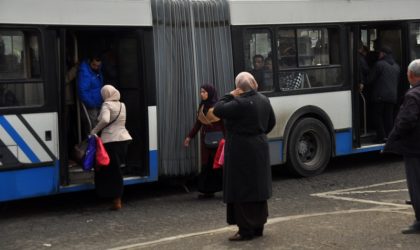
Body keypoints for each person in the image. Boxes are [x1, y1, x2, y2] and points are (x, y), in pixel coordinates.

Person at [213, 72, 276, 241]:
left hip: (241, 149)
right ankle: (258, 226)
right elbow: (271, 123)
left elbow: (218, 109)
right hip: (260, 147)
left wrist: (230, 94)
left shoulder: (239, 103)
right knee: (258, 187)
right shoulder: (264, 99)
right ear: (255, 83)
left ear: (239, 88)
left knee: (242, 189)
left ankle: (245, 230)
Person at [384, 59, 420, 234]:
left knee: (416, 184)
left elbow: (406, 120)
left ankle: (419, 221)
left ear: (411, 75)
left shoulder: (413, 95)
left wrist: (395, 135)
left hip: (414, 147)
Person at [90, 85, 132, 210]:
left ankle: (115, 199)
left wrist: (94, 131)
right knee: (116, 169)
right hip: (124, 140)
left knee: (109, 170)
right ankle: (114, 197)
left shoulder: (107, 105)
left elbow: (105, 119)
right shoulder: (122, 105)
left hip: (110, 141)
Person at [184, 84, 224, 198]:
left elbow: (224, 124)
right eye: (201, 92)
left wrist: (227, 139)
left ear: (210, 93)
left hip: (219, 140)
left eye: (204, 92)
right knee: (207, 165)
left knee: (220, 165)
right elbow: (198, 124)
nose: (202, 94)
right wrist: (189, 137)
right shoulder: (202, 107)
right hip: (206, 141)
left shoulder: (218, 107)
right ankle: (207, 190)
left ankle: (228, 189)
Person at [367, 46, 400, 143]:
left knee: (377, 116)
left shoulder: (379, 64)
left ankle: (381, 137)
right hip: (392, 96)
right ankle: (389, 136)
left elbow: (370, 79)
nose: (379, 54)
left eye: (380, 53)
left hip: (380, 96)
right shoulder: (397, 66)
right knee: (388, 117)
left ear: (383, 54)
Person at [77, 55, 104, 132]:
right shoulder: (85, 73)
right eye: (94, 65)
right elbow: (82, 90)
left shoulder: (97, 71)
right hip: (92, 105)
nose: (96, 67)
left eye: (98, 66)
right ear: (89, 62)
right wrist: (90, 103)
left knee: (97, 126)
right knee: (93, 128)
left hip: (98, 103)